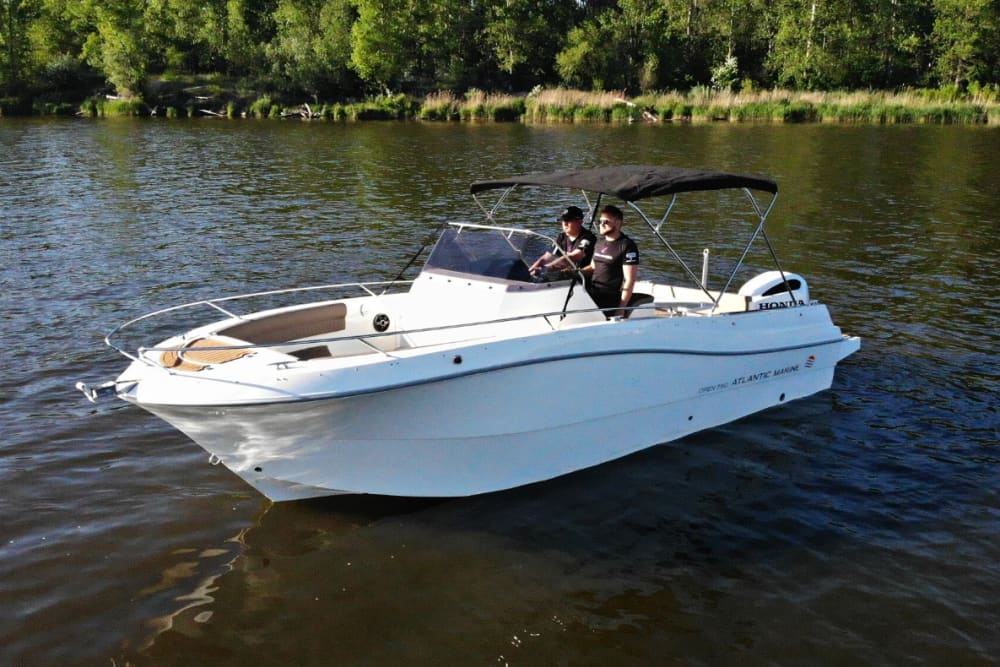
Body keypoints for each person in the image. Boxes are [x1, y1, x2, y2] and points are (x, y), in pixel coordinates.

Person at [583, 204, 638, 318]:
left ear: (617, 223)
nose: (601, 224)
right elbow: (593, 267)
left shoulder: (627, 246)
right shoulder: (599, 242)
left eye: (606, 222)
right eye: (600, 221)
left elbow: (630, 280)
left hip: (610, 296)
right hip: (592, 291)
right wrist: (574, 272)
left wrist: (621, 308)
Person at [529, 206, 596, 278]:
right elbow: (548, 257)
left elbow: (574, 256)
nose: (565, 224)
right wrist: (532, 269)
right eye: (563, 220)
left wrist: (545, 269)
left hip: (580, 278)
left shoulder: (588, 238)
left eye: (568, 220)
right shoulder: (562, 237)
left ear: (580, 222)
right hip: (565, 276)